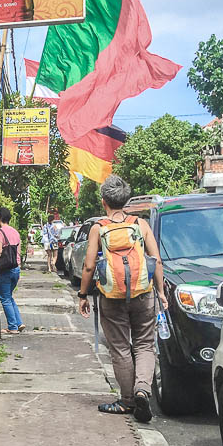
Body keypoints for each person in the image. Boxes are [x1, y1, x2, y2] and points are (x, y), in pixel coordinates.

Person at [78, 175, 167, 423]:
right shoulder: (140, 225)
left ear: (103, 201)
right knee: (145, 345)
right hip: (143, 294)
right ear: (125, 200)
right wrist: (160, 292)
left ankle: (127, 401)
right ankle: (142, 390)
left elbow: (88, 265)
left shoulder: (99, 227)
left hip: (111, 296)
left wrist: (83, 295)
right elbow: (156, 260)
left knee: (120, 348)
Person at [0, 208, 25, 334]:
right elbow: (18, 252)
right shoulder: (15, 232)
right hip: (15, 269)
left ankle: (12, 327)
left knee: (5, 298)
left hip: (4, 270)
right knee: (9, 297)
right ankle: (19, 322)